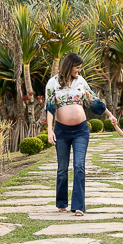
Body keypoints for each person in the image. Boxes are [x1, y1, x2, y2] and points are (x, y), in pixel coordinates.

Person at [44, 53, 106, 216]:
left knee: (79, 166)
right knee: (62, 169)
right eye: (77, 67)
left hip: (80, 130)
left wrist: (110, 114)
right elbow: (50, 107)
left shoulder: (80, 81)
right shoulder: (53, 83)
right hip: (62, 131)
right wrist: (50, 130)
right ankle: (62, 202)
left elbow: (93, 100)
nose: (79, 70)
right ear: (69, 66)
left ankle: (78, 205)